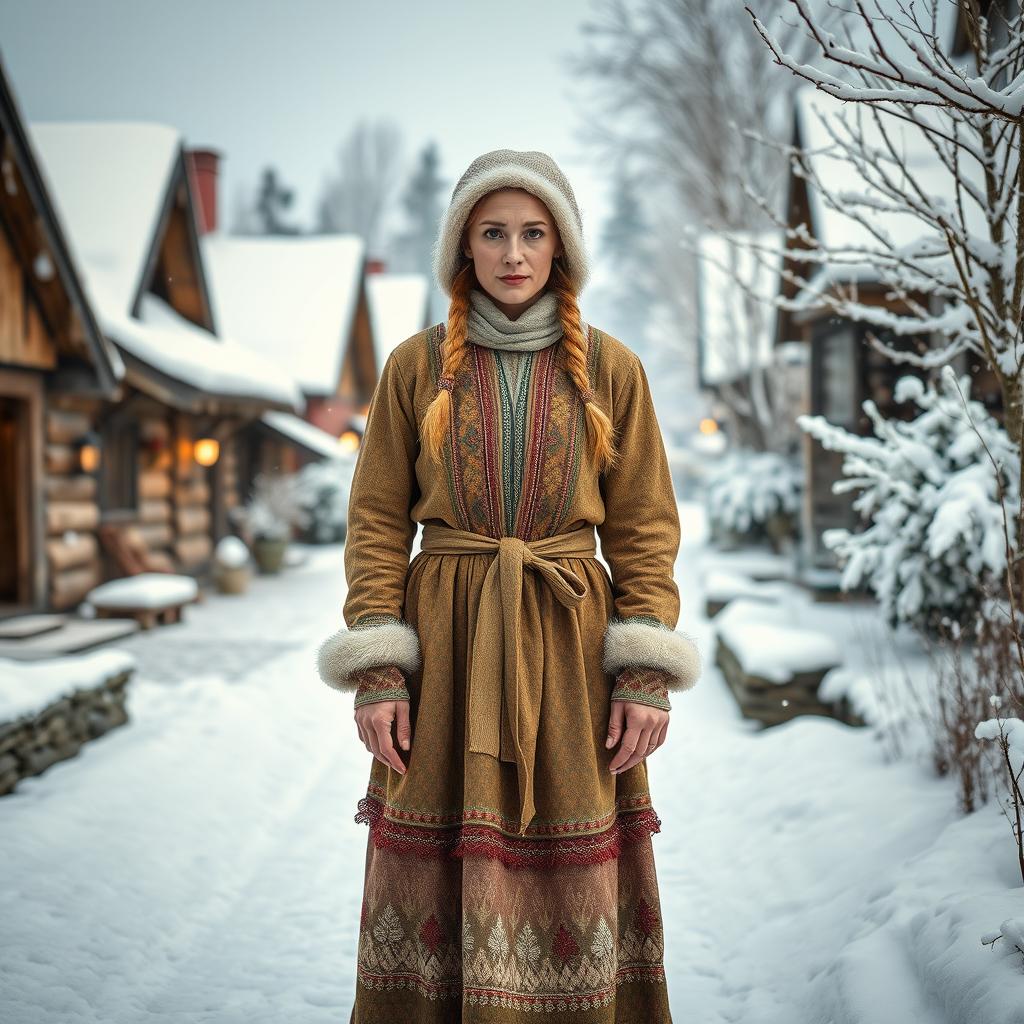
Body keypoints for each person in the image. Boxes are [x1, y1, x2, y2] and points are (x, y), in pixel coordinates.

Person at [316, 148, 702, 1023]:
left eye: (534, 233)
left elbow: (644, 529)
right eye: (493, 233)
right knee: (440, 853)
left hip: (568, 653)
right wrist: (379, 668)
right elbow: (376, 521)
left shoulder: (612, 370)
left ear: (562, 248)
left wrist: (644, 673)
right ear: (464, 247)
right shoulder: (416, 368)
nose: (515, 253)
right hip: (448, 650)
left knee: (570, 854)